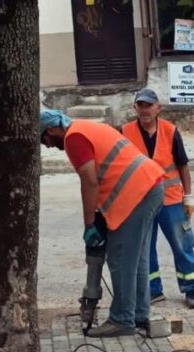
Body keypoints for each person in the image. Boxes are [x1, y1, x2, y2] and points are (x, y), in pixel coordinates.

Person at [40, 109, 165, 337]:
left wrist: (89, 224)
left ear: (51, 129)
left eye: (44, 139)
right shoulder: (86, 126)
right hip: (151, 186)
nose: (46, 145)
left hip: (136, 194)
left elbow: (89, 181)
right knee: (137, 259)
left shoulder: (73, 139)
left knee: (120, 258)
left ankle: (122, 320)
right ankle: (139, 314)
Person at [121, 89, 194, 309]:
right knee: (144, 247)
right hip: (141, 201)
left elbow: (182, 165)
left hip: (171, 200)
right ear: (135, 108)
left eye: (149, 105)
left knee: (182, 243)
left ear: (158, 108)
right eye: (141, 105)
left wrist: (188, 195)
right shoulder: (125, 132)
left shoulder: (170, 131)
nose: (144, 110)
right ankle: (153, 290)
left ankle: (191, 288)